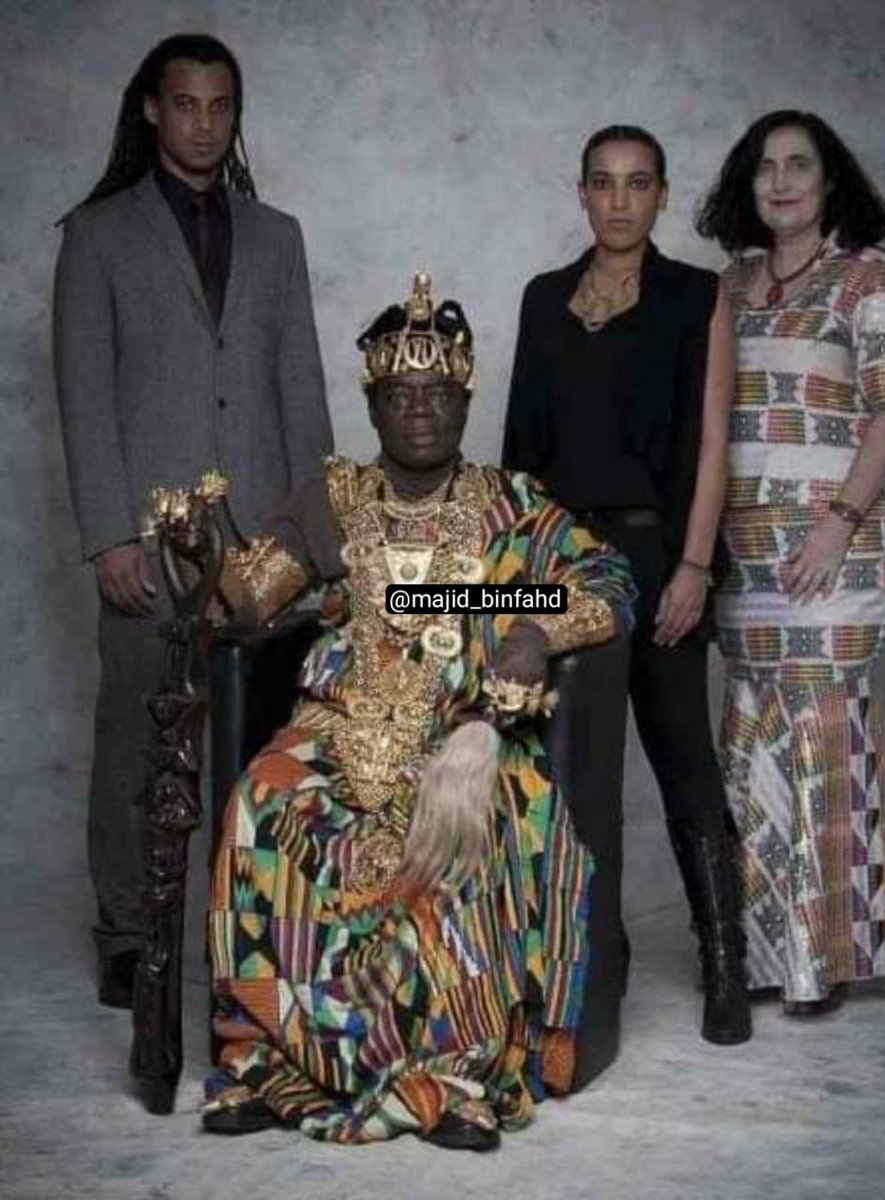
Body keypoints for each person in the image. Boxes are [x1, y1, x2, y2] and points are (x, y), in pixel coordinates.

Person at [164, 273, 637, 1146]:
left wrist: (532, 627)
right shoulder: (332, 500)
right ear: (373, 407)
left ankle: (449, 1076)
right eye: (399, 395)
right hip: (337, 727)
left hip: (458, 731)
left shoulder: (510, 504)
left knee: (471, 827)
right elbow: (252, 601)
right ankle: (266, 1057)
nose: (420, 410)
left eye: (437, 394)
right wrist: (204, 557)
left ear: (465, 403)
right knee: (260, 803)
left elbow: (607, 580)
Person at [52, 33, 333, 1009]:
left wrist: (314, 538)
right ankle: (131, 937)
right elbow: (84, 394)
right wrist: (108, 535)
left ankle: (249, 923)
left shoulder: (277, 236)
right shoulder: (98, 235)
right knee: (140, 742)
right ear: (151, 110)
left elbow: (301, 392)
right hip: (149, 540)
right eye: (185, 104)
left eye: (220, 106)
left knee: (263, 745)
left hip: (262, 542)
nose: (204, 123)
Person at [503, 125, 750, 1045]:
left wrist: (694, 566)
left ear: (660, 195)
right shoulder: (542, 298)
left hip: (656, 556)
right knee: (568, 769)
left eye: (637, 183)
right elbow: (520, 455)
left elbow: (713, 443)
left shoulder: (696, 296)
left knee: (683, 756)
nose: (618, 200)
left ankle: (724, 960)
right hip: (560, 563)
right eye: (603, 183)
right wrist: (518, 583)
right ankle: (591, 954)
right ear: (580, 193)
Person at [696, 110, 885, 1014]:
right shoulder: (730, 286)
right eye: (764, 168)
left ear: (829, 179)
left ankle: (822, 958)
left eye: (799, 165)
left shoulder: (877, 277)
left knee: (820, 730)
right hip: (744, 551)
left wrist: (837, 523)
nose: (781, 182)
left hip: (837, 546)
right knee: (750, 732)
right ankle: (761, 958)